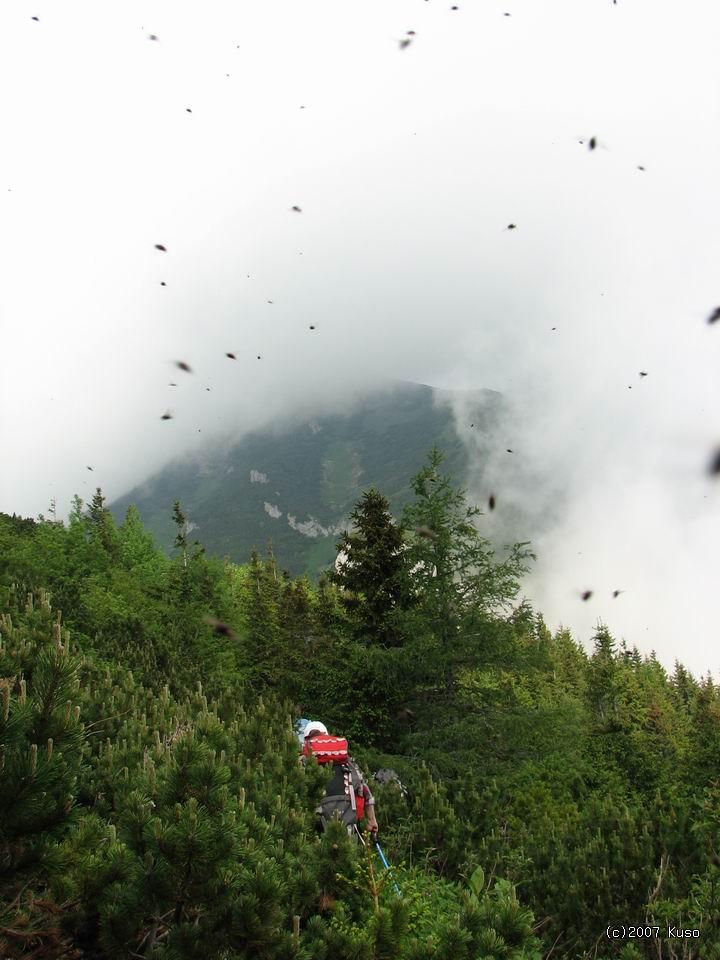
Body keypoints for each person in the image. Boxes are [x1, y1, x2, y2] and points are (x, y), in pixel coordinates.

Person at [299, 719, 378, 838]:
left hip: (315, 833)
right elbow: (366, 794)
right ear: (326, 735)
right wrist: (372, 820)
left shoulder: (303, 763)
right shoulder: (348, 764)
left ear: (306, 740)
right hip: (348, 832)